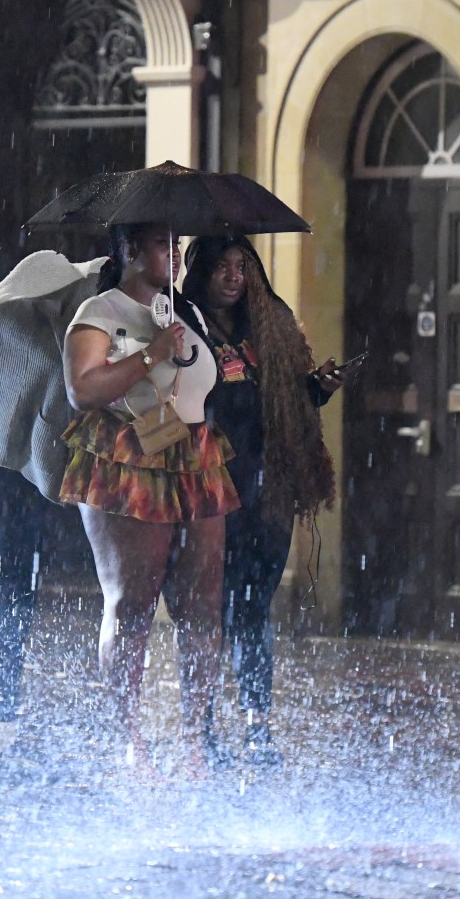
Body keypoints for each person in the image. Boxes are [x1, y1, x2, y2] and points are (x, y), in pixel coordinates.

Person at [59, 223, 240, 777]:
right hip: (127, 456)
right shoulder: (99, 314)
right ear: (130, 250)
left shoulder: (186, 312)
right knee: (133, 604)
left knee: (203, 605)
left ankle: (192, 739)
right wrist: (151, 354)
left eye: (178, 245)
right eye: (163, 245)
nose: (175, 254)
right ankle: (130, 740)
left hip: (192, 455)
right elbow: (83, 388)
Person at [0, 249, 105, 780]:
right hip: (7, 477)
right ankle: (0, 741)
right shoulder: (26, 328)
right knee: (11, 604)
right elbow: (59, 398)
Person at [182, 234, 341, 765]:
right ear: (201, 271)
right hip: (208, 491)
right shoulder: (182, 325)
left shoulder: (266, 328)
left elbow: (290, 397)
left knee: (254, 610)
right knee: (207, 614)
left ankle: (257, 726)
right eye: (223, 267)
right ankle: (200, 724)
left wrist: (317, 387)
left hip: (264, 489)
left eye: (242, 266)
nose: (233, 276)